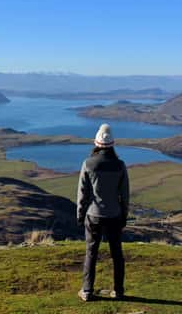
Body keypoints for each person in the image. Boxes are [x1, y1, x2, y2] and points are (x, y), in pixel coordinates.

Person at [77, 123, 130, 302]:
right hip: (114, 215)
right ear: (112, 144)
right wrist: (124, 215)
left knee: (91, 252)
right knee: (117, 253)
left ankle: (87, 290)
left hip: (93, 215)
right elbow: (125, 194)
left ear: (96, 143)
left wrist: (80, 214)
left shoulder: (88, 163)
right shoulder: (120, 165)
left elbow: (82, 193)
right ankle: (119, 290)